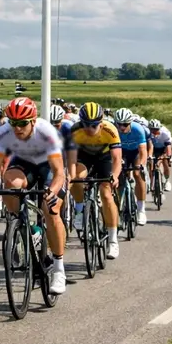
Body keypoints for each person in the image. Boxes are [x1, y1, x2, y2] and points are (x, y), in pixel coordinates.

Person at [0, 97, 67, 294]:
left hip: (48, 166)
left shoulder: (46, 132)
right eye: (13, 123)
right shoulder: (2, 133)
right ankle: (22, 225)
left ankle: (59, 269)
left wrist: (52, 191)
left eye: (23, 123)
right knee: (10, 184)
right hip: (24, 163)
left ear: (33, 121)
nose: (17, 128)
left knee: (50, 210)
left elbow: (59, 172)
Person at [65, 101, 124, 259]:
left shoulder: (110, 129)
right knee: (76, 178)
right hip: (85, 157)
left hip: (105, 158)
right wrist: (70, 178)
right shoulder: (75, 130)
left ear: (101, 122)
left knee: (106, 193)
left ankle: (112, 240)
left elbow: (117, 158)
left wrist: (115, 176)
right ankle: (79, 209)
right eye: (86, 124)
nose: (90, 128)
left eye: (94, 125)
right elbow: (71, 160)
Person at [113, 108, 149, 226]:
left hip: (135, 153)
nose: (122, 127)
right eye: (119, 124)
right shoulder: (113, 130)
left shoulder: (138, 129)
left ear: (130, 122)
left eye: (125, 124)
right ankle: (119, 206)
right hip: (121, 152)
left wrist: (142, 165)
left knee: (138, 174)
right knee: (118, 178)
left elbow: (143, 151)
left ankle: (141, 210)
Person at [148, 118, 172, 192]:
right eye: (152, 130)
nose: (154, 132)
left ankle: (167, 181)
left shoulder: (165, 133)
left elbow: (168, 147)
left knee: (165, 163)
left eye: (156, 130)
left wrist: (168, 157)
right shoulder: (147, 133)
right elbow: (148, 146)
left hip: (163, 148)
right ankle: (151, 182)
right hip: (153, 148)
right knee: (151, 164)